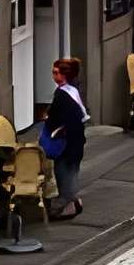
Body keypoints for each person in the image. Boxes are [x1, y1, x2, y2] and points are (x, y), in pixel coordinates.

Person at [41, 56, 89, 219]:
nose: (53, 75)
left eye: (56, 73)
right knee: (73, 171)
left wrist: (47, 117)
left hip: (65, 143)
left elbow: (54, 117)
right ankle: (75, 201)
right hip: (76, 141)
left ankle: (68, 206)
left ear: (63, 75)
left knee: (63, 173)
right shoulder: (74, 90)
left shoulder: (62, 95)